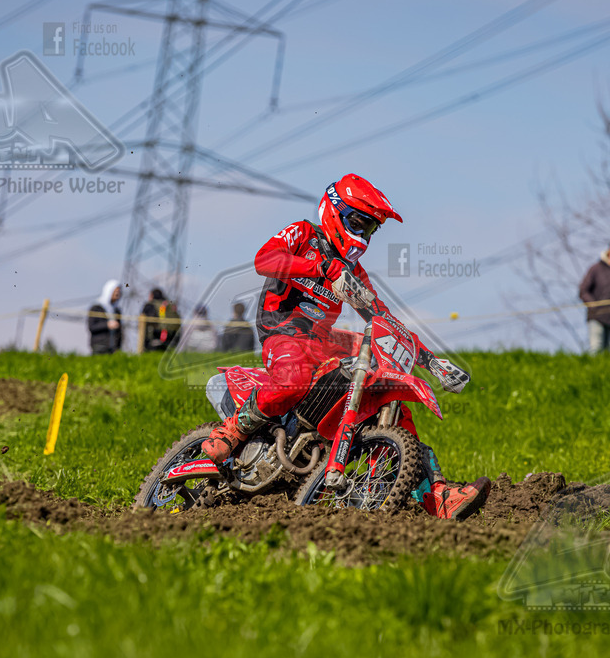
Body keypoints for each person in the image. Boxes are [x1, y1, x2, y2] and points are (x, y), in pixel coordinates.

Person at [200, 173, 490, 521]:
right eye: (359, 223)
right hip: (284, 328)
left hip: (322, 339)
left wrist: (430, 361)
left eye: (370, 230)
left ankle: (436, 495)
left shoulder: (353, 270)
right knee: (293, 379)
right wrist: (322, 266)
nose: (363, 236)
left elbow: (382, 318)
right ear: (335, 210)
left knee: (388, 381)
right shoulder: (304, 234)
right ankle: (234, 429)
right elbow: (265, 259)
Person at [87, 279, 123, 354]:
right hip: (99, 345)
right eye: (115, 291)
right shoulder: (97, 308)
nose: (117, 293)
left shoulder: (116, 311)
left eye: (119, 291)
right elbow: (92, 326)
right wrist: (107, 325)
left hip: (113, 347)